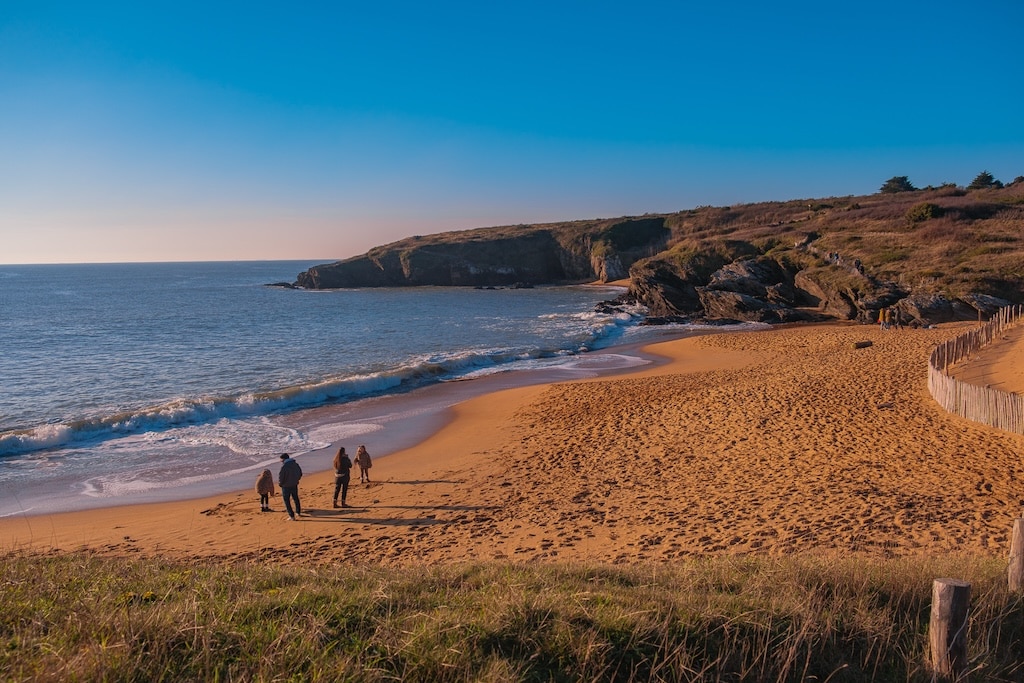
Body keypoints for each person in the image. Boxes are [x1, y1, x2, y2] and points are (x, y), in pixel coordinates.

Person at [277, 452, 303, 520]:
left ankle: (291, 515)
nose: (281, 461)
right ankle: (298, 512)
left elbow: (281, 477)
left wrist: (280, 484)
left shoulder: (284, 467)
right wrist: (296, 480)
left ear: (283, 459)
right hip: (294, 484)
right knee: (295, 498)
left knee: (287, 501)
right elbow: (300, 473)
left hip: (286, 486)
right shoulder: (295, 464)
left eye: (281, 460)